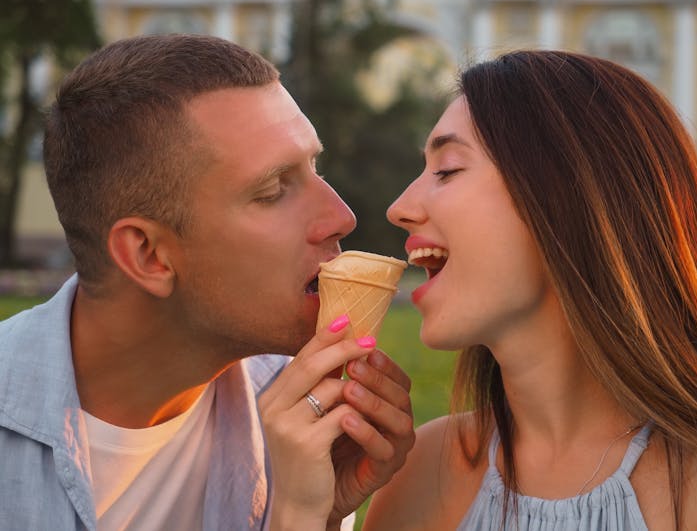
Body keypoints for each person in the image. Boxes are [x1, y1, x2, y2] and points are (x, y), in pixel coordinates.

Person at [0, 34, 415, 530]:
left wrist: (312, 516)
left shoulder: (298, 421)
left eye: (314, 168)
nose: (341, 216)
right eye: (272, 191)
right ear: (149, 255)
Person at [364, 50, 697, 530]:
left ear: (569, 197)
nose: (399, 208)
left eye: (447, 170)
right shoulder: (420, 471)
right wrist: (304, 508)